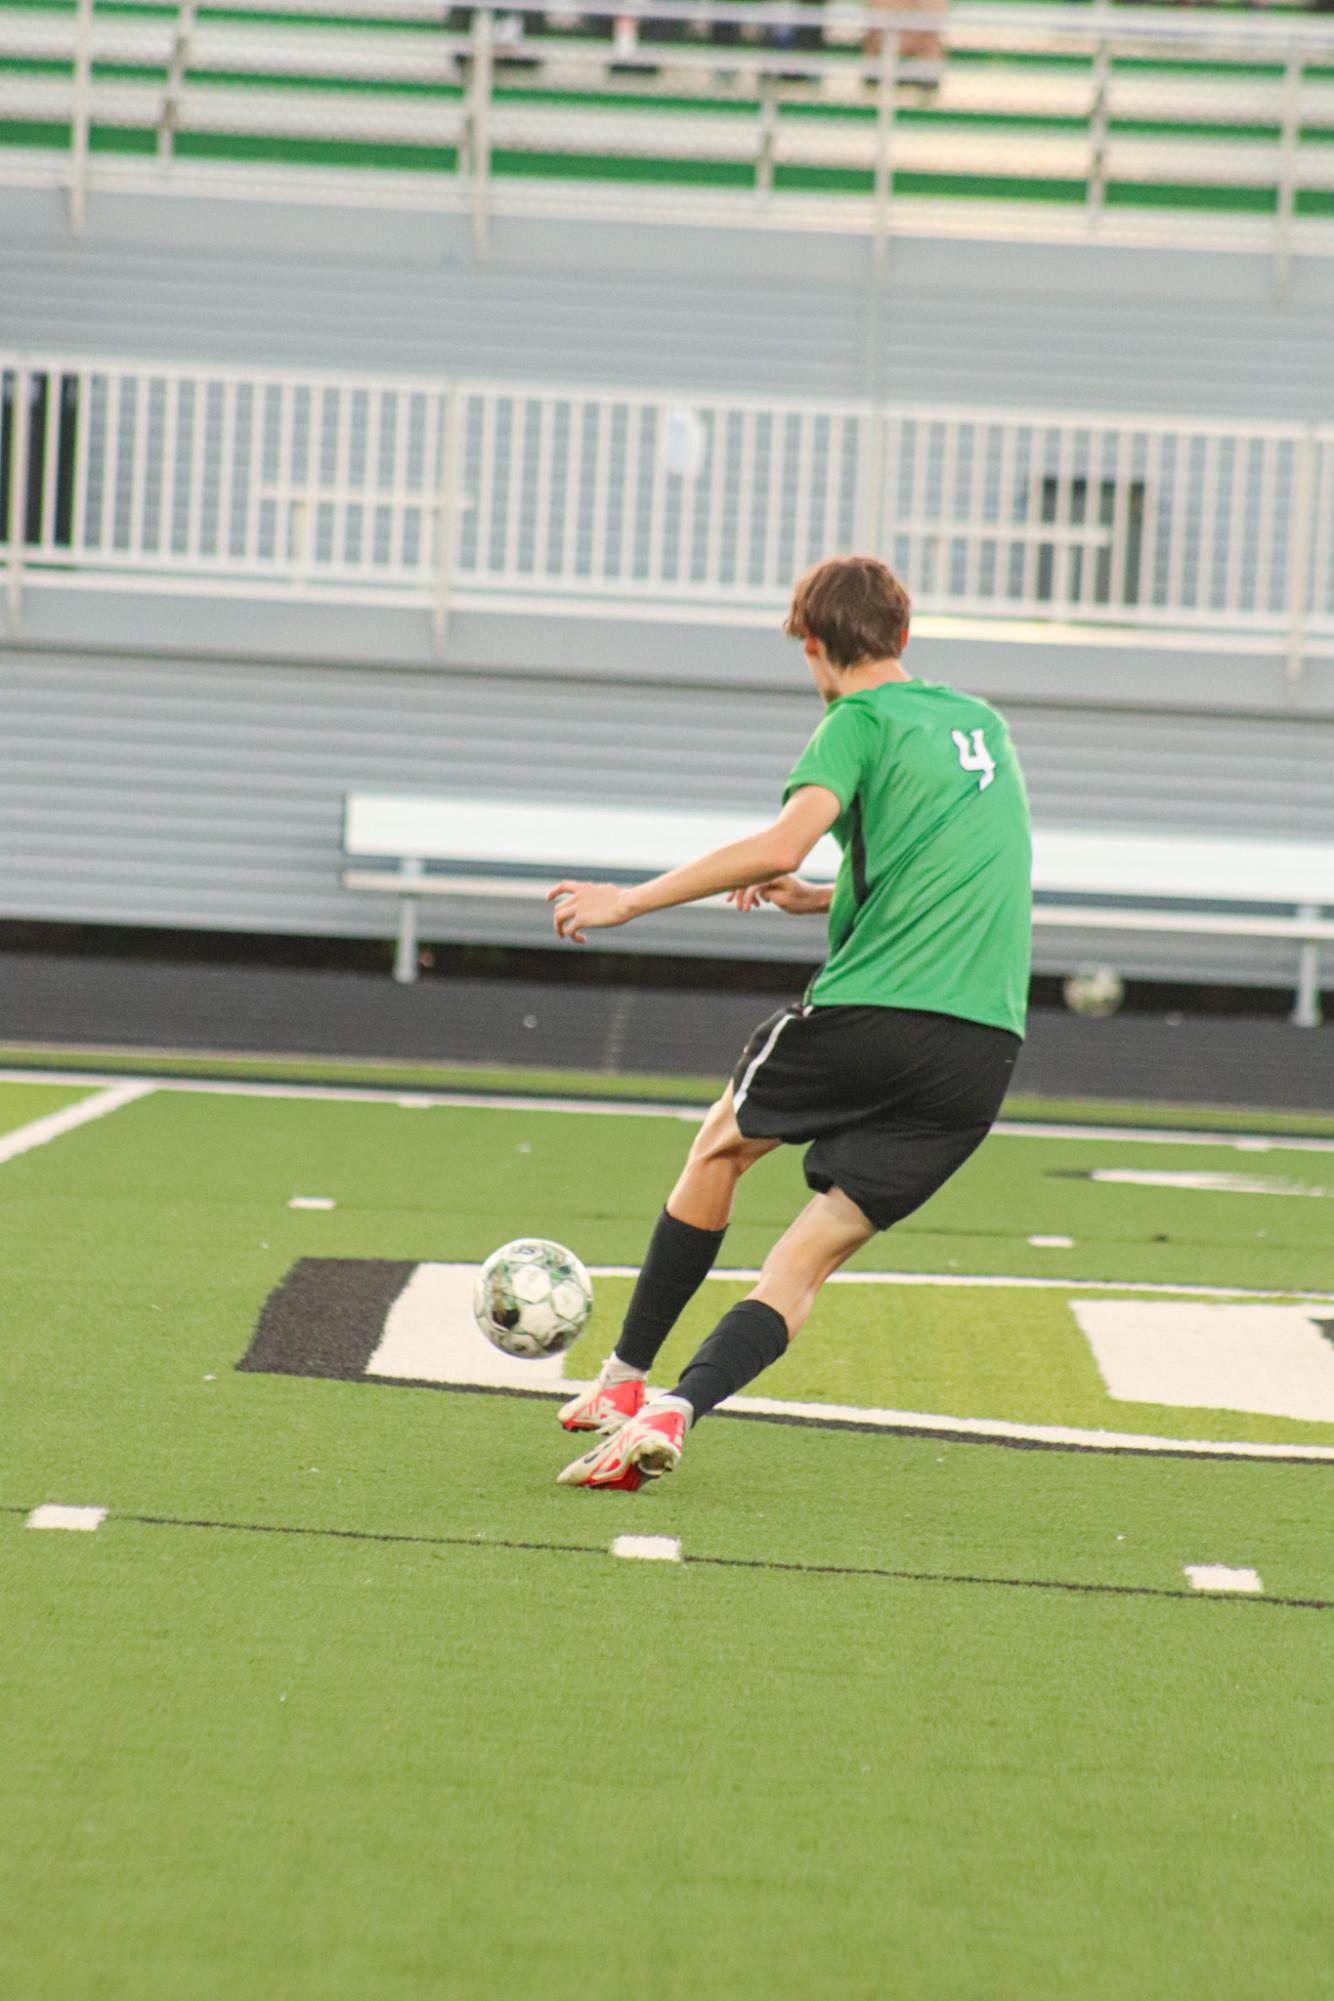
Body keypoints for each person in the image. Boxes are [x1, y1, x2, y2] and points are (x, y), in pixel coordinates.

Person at [547, 553, 1031, 1490]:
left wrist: (628, 903)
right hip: (981, 1051)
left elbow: (779, 839)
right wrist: (819, 899)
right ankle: (677, 1411)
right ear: (905, 629)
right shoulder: (978, 724)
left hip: (876, 1011)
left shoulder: (854, 719)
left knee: (718, 1149)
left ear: (812, 642)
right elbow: (946, 853)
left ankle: (621, 1379)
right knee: (805, 1261)